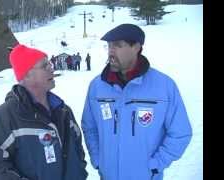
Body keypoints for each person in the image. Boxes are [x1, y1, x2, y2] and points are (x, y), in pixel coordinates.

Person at [81, 24, 192, 180]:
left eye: (118, 45)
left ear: (137, 47)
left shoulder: (164, 86)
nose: (111, 51)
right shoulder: (97, 86)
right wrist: (99, 160)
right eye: (109, 46)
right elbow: (89, 127)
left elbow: (180, 133)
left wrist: (156, 164)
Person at [0, 44, 88, 180]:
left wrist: (79, 172)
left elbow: (78, 149)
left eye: (49, 63)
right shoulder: (5, 116)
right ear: (26, 75)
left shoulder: (63, 110)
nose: (51, 68)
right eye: (44, 66)